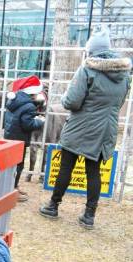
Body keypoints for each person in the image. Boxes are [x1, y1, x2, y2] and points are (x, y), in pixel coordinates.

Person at [39, 26, 131, 229]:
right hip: (106, 129)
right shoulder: (124, 74)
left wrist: (63, 97)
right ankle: (89, 216)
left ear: (91, 49)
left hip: (81, 127)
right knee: (94, 171)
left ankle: (53, 206)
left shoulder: (87, 69)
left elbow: (72, 102)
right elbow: (120, 102)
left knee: (66, 167)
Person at [4, 75, 45, 202]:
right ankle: (12, 190)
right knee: (19, 165)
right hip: (20, 140)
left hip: (10, 136)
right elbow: (28, 124)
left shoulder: (14, 100)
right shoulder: (29, 106)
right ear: (32, 92)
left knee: (12, 165)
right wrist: (39, 121)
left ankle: (12, 187)